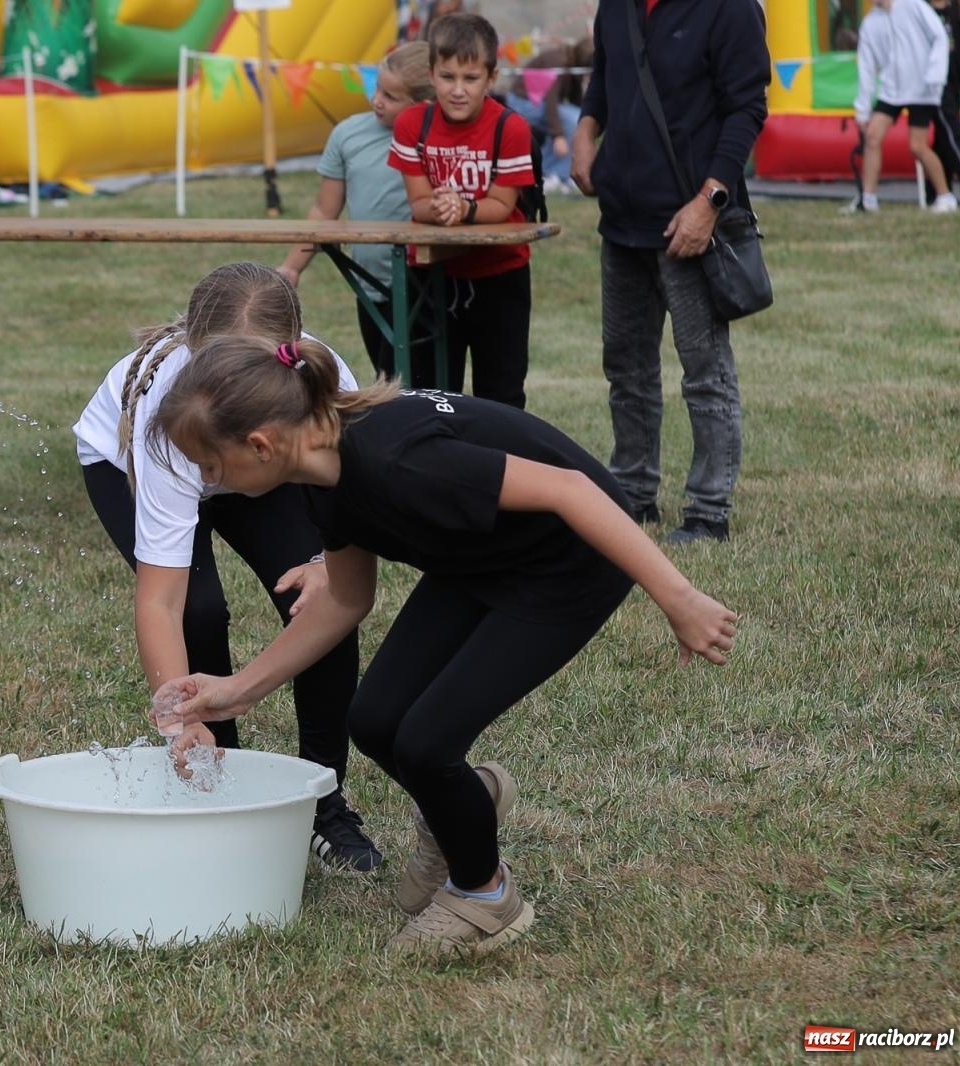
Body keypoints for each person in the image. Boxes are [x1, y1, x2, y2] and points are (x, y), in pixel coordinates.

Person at [147, 339, 738, 958]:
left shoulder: (398, 460)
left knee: (426, 743)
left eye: (210, 466)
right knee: (374, 721)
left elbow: (574, 491)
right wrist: (236, 690)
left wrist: (679, 597)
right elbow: (346, 601)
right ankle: (466, 806)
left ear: (260, 445)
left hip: (568, 565)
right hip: (482, 558)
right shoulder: (319, 476)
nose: (207, 481)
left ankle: (485, 896)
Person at [72, 262, 382, 872]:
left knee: (319, 606)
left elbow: (352, 525)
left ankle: (323, 799)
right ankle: (219, 784)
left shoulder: (323, 384)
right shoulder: (167, 416)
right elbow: (161, 601)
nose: (234, 391)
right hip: (139, 454)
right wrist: (177, 720)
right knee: (201, 609)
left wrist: (326, 564)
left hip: (264, 463)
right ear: (192, 352)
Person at [571, 0, 770, 543]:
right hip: (621, 219)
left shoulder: (730, 8)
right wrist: (586, 132)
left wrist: (710, 202)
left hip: (690, 221)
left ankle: (708, 512)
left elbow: (747, 108)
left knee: (706, 375)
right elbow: (605, 82)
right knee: (626, 371)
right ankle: (632, 495)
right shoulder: (616, 6)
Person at [389, 13, 537, 410]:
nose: (457, 90)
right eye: (447, 76)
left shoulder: (511, 128)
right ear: (431, 74)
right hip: (430, 276)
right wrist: (440, 207)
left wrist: (463, 207)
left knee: (502, 393)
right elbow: (418, 203)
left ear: (491, 78)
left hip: (500, 274)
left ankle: (507, 467)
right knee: (431, 393)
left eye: (470, 79)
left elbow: (503, 205)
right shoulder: (409, 124)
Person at [279, 43, 440, 387]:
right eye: (377, 88)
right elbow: (325, 210)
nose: (377, 100)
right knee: (386, 377)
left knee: (411, 384)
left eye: (392, 96)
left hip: (424, 283)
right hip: (368, 284)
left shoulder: (436, 138)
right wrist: (293, 266)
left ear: (423, 104)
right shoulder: (349, 134)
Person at [845, 0, 957, 214]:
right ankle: (868, 199)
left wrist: (934, 74)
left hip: (922, 88)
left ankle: (945, 196)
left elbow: (939, 36)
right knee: (872, 136)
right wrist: (863, 109)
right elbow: (867, 67)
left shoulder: (912, 5)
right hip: (892, 91)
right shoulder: (870, 23)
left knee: (917, 146)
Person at [504, 37, 594, 191]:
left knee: (576, 118)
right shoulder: (558, 62)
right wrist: (558, 135)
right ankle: (553, 173)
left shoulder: (571, 64)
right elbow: (551, 101)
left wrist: (585, 120)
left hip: (540, 103)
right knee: (571, 120)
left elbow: (574, 98)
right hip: (521, 102)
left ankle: (556, 172)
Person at [928, 0, 960, 202]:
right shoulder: (924, 11)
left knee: (943, 135)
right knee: (952, 129)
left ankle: (935, 191)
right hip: (936, 83)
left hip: (955, 82)